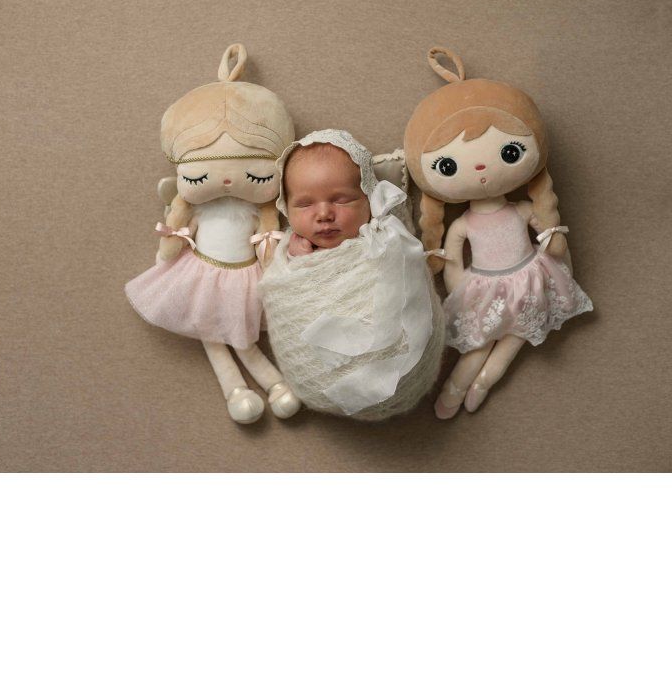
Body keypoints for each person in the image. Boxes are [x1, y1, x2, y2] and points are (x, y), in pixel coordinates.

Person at [405, 47, 593, 418]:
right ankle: (458, 386)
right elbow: (453, 259)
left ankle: (484, 382)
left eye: (509, 152)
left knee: (513, 339)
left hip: (528, 279)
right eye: (448, 166)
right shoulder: (462, 225)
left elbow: (549, 235)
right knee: (480, 343)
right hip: (486, 286)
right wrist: (460, 286)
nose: (479, 170)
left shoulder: (522, 210)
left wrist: (556, 251)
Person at [125, 44, 300, 425]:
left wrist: (273, 263)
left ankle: (273, 384)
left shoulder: (262, 210)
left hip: (243, 279)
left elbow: (268, 241)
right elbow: (176, 237)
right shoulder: (196, 208)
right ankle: (237, 390)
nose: (227, 181)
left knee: (243, 338)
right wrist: (168, 248)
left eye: (253, 174)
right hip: (201, 274)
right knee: (213, 337)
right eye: (203, 174)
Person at [259, 130, 445, 421]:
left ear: (368, 199)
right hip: (315, 373)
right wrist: (295, 259)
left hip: (402, 370)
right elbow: (284, 288)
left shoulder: (387, 240)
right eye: (305, 204)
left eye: (342, 200)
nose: (324, 214)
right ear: (286, 208)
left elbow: (406, 279)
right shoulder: (290, 249)